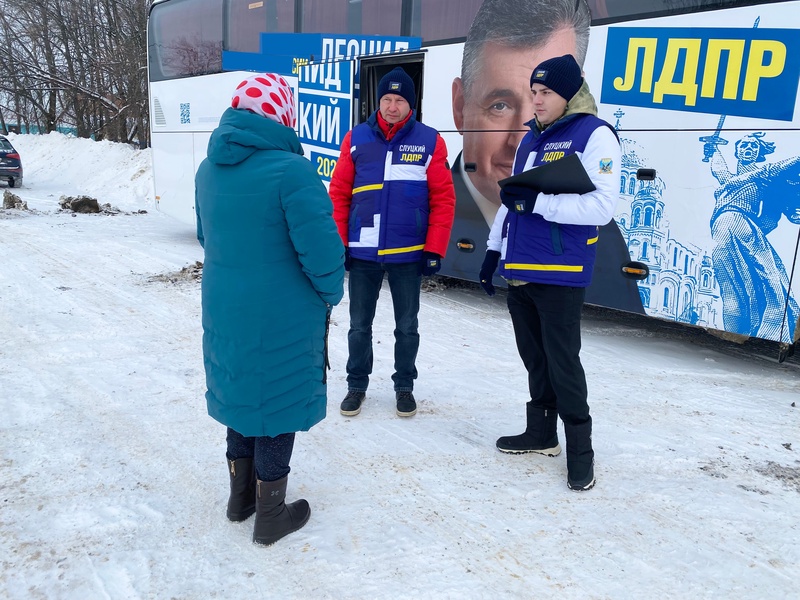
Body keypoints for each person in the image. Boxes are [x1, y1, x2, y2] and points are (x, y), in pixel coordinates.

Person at [194, 73, 345, 545]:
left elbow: (206, 236)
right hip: (282, 311)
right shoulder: (291, 171)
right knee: (276, 401)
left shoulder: (207, 169)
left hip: (225, 307)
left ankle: (240, 498)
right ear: (281, 115)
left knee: (242, 394)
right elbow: (322, 254)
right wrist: (330, 293)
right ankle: (271, 514)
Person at [479, 54, 622, 491]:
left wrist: (539, 204)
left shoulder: (595, 135)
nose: (536, 101)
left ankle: (581, 453)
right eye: (534, 93)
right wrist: (492, 250)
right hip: (521, 266)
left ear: (569, 93)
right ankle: (541, 434)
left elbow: (601, 207)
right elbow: (512, 199)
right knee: (534, 358)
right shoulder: (531, 139)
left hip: (561, 271)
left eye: (545, 93)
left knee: (563, 363)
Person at [448, 0, 644, 315]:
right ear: (460, 108)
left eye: (546, 96)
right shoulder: (439, 215)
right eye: (500, 105)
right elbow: (511, 207)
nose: (520, 138)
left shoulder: (610, 244)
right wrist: (492, 255)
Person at [329, 66, 456, 418]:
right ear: (378, 101)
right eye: (386, 98)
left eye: (399, 99)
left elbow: (443, 199)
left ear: (410, 105)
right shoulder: (356, 139)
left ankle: (404, 387)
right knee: (358, 325)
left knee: (407, 326)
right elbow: (339, 194)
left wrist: (434, 248)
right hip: (363, 249)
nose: (391, 106)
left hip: (408, 253)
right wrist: (340, 243)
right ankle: (356, 385)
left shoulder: (430, 141)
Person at [704, 132, 800, 342]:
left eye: (753, 147)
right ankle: (749, 331)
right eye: (744, 146)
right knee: (740, 284)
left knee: (762, 279)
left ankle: (751, 330)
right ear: (737, 151)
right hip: (726, 225)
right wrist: (714, 148)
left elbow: (773, 213)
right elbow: (718, 167)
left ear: (759, 153)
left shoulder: (762, 175)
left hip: (737, 224)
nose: (748, 149)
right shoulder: (729, 178)